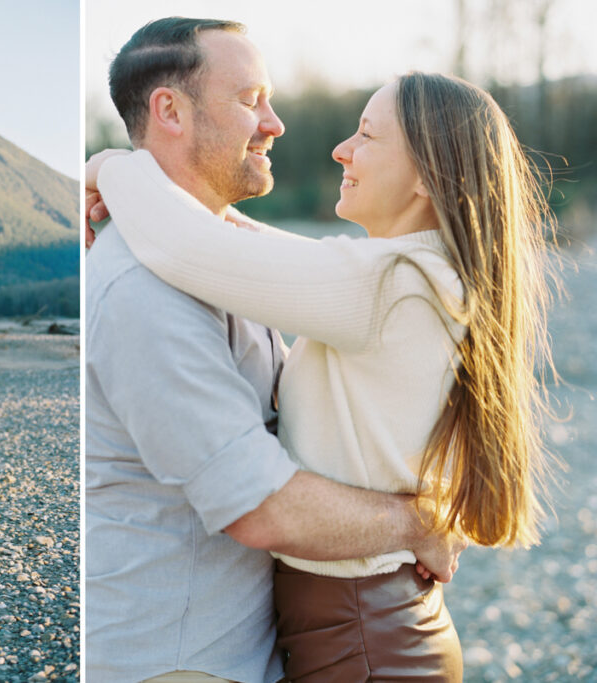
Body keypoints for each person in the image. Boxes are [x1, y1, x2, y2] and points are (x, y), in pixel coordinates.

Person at [93, 60, 559, 680]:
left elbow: (190, 249)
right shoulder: (415, 276)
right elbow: (250, 246)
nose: (341, 149)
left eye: (366, 135)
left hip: (362, 638)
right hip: (367, 626)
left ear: (427, 175)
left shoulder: (389, 287)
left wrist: (112, 166)